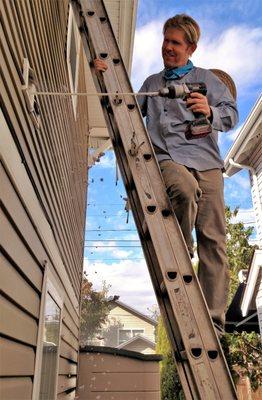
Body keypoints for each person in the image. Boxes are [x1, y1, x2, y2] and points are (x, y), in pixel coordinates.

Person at [94, 14, 238, 335]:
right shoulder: (152, 84)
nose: (167, 48)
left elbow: (230, 115)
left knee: (214, 241)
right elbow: (124, 106)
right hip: (168, 159)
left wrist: (210, 110)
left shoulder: (207, 80)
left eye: (175, 43)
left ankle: (213, 320)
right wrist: (104, 79)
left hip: (208, 163)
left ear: (190, 47)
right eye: (165, 41)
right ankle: (181, 249)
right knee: (183, 190)